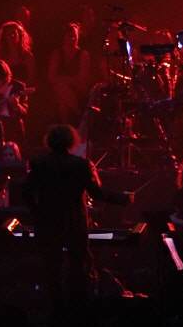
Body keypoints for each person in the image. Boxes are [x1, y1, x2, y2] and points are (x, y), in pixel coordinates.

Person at [21, 123, 133, 303]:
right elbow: (97, 193)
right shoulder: (80, 165)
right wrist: (123, 198)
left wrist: (38, 213)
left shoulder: (39, 164)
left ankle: (54, 307)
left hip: (48, 224)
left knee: (52, 268)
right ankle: (78, 306)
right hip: (74, 223)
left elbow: (26, 193)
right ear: (71, 141)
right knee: (79, 266)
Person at [44, 22, 97, 125]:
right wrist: (67, 81)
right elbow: (51, 77)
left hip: (78, 88)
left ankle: (67, 125)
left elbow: (82, 78)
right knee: (62, 102)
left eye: (74, 36)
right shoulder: (57, 54)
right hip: (59, 90)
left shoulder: (83, 55)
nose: (72, 39)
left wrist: (63, 79)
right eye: (69, 36)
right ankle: (77, 113)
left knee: (62, 93)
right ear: (64, 37)